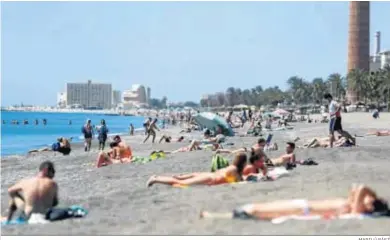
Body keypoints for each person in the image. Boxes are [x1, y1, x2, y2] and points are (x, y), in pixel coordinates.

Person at [200, 184, 389, 220]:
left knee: (257, 211)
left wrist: (373, 197)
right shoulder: (353, 203)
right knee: (259, 211)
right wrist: (375, 198)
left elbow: (361, 187)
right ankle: (218, 215)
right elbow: (356, 188)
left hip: (302, 210)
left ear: (370, 205)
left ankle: (216, 216)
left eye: (369, 199)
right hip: (302, 205)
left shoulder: (357, 209)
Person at [146, 152, 247, 187]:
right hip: (210, 179)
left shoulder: (232, 168)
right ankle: (155, 179)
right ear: (243, 162)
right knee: (181, 184)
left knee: (182, 181)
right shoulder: (234, 170)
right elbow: (238, 181)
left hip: (209, 175)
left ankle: (163, 178)